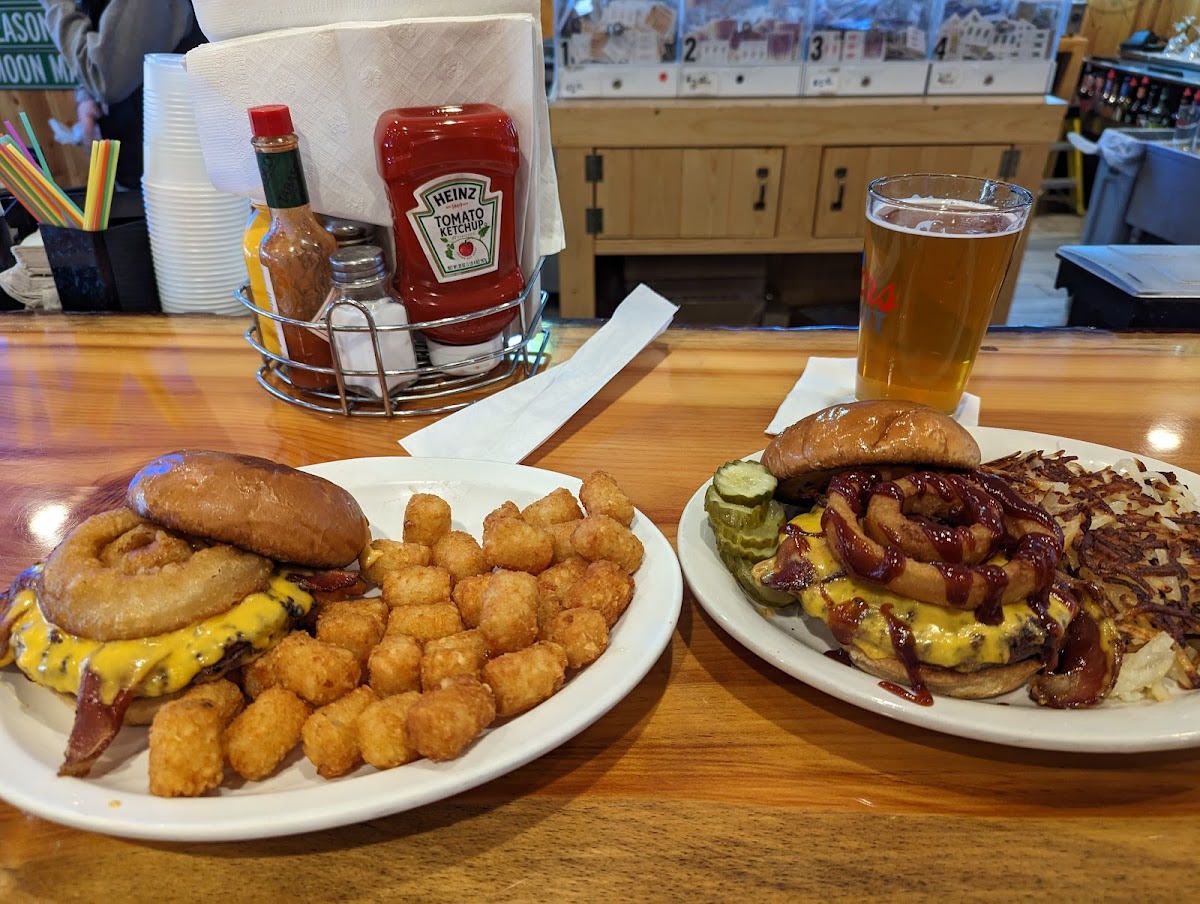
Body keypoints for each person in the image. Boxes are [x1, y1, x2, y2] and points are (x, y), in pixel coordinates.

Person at [39, 1, 206, 188]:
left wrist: (57, 4)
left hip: (178, 175)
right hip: (135, 165)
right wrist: (86, 95)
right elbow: (108, 37)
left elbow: (107, 77)